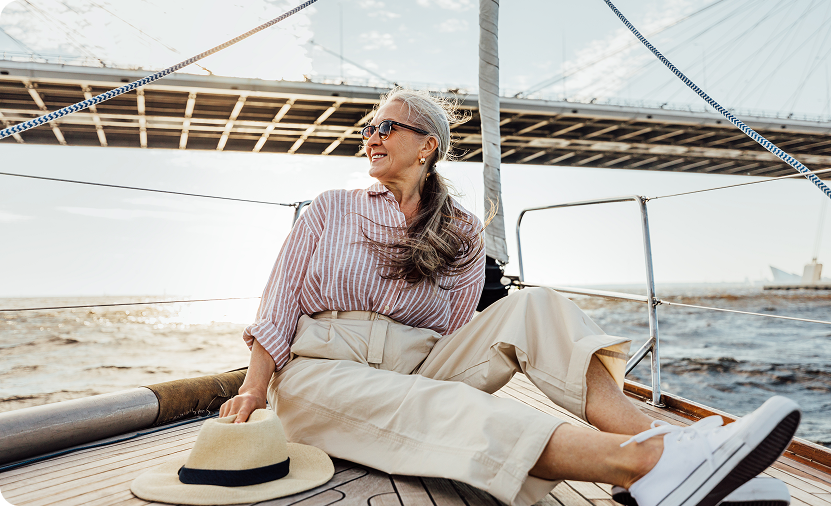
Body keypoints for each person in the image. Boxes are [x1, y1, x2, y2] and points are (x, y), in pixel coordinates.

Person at [219, 88, 800, 506]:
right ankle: (645, 466)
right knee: (444, 407)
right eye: (369, 126)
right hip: (325, 372)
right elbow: (279, 304)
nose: (371, 135)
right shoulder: (330, 208)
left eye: (386, 126)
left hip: (421, 364)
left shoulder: (461, 230)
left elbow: (453, 328)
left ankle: (670, 444)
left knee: (537, 305)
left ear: (427, 147)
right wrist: (253, 387)